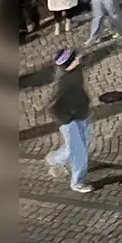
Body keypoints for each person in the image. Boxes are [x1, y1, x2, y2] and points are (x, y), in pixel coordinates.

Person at [44, 47, 95, 193]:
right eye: (74, 59)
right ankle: (77, 182)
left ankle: (54, 159)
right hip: (69, 120)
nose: (77, 60)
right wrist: (67, 120)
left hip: (81, 113)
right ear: (67, 64)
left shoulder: (75, 71)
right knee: (79, 152)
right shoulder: (61, 82)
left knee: (78, 145)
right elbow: (51, 107)